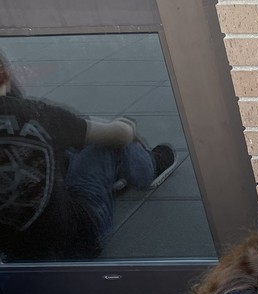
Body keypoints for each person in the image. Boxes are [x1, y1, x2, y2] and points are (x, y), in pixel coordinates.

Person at [0, 49, 175, 261]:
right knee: (106, 144)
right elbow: (119, 135)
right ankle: (150, 168)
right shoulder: (34, 114)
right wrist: (120, 127)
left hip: (16, 257)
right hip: (80, 238)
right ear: (4, 75)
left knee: (65, 149)